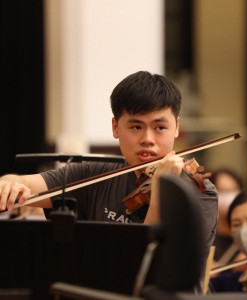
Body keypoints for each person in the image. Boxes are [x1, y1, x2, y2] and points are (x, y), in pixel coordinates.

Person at [0, 71, 218, 290]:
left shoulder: (199, 192)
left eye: (160, 127)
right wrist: (9, 182)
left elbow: (147, 269)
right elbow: (26, 185)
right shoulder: (96, 175)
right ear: (116, 127)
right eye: (136, 127)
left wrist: (161, 191)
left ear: (177, 127)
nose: (148, 139)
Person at [210, 168, 243, 264]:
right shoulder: (204, 236)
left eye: (234, 190)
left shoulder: (246, 234)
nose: (230, 196)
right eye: (223, 191)